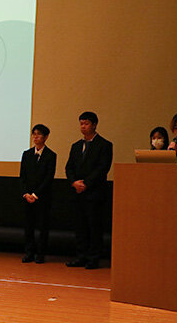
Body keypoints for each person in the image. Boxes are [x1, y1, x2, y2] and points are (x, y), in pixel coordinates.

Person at [65, 112, 113, 269]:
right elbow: (69, 167)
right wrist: (74, 182)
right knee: (80, 227)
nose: (83, 126)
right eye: (81, 123)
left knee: (94, 227)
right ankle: (81, 256)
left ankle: (93, 258)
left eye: (86, 123)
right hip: (77, 193)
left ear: (94, 125)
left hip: (94, 193)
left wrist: (86, 184)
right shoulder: (76, 146)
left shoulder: (105, 145)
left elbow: (102, 168)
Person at [20, 124, 57, 264]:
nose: (36, 137)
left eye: (39, 134)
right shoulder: (27, 154)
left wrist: (35, 195)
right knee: (28, 226)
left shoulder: (51, 155)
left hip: (42, 197)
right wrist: (26, 193)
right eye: (34, 134)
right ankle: (29, 252)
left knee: (42, 226)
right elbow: (22, 176)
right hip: (27, 197)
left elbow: (48, 178)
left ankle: (40, 254)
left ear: (46, 137)